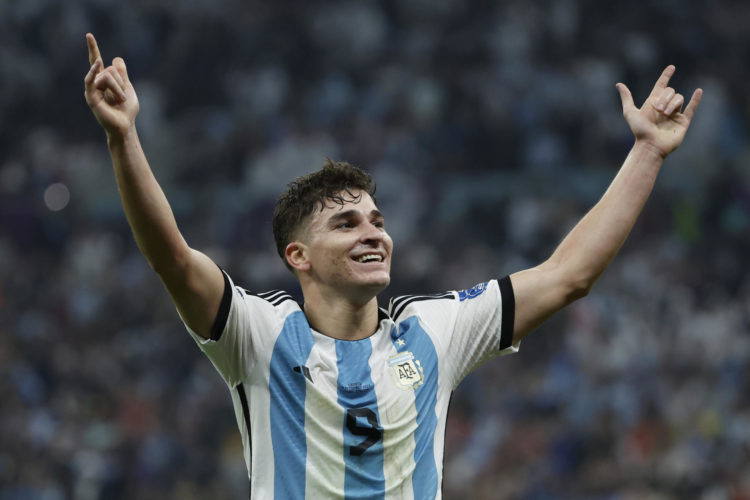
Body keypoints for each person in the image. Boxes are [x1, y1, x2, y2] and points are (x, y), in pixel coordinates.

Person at [83, 31, 702, 499]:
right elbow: (172, 257)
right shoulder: (259, 334)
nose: (373, 233)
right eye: (346, 224)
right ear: (297, 256)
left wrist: (648, 150)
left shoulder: (434, 329)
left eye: (377, 220)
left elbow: (570, 275)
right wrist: (123, 138)